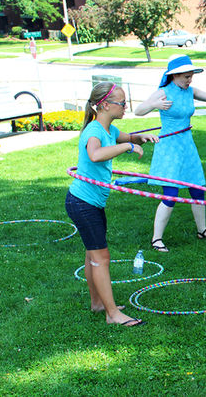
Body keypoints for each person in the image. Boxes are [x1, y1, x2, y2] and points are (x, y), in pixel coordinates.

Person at [65, 81, 157, 326]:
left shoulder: (109, 131)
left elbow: (127, 136)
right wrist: (127, 147)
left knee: (92, 254)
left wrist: (141, 138)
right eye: (122, 103)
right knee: (101, 257)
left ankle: (97, 303)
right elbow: (95, 154)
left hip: (90, 202)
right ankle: (112, 314)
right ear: (105, 105)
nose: (125, 107)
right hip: (83, 203)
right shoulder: (94, 132)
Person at [134, 55, 206, 252]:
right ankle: (156, 239)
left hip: (187, 145)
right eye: (186, 76)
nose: (189, 79)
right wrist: (154, 105)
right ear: (175, 75)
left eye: (191, 76)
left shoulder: (189, 91)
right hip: (169, 148)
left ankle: (202, 230)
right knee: (171, 194)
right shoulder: (163, 92)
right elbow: (138, 110)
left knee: (197, 189)